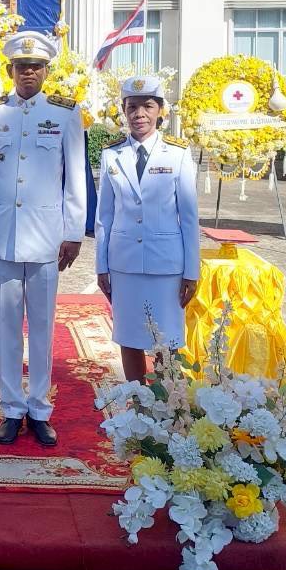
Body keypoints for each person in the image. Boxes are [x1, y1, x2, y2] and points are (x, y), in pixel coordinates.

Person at [0, 31, 87, 446]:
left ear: (46, 71)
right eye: (21, 67)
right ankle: (11, 408)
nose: (28, 73)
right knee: (5, 327)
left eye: (36, 67)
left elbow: (76, 178)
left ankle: (39, 408)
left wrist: (73, 232)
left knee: (41, 327)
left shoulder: (64, 113)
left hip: (46, 237)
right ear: (10, 70)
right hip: (3, 237)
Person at [95, 76, 200, 382]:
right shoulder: (111, 154)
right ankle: (137, 404)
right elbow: (105, 216)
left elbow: (189, 217)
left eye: (147, 106)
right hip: (124, 263)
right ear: (124, 111)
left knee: (165, 341)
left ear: (160, 111)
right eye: (132, 107)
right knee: (129, 337)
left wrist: (191, 271)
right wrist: (102, 266)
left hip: (166, 264)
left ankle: (167, 409)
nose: (139, 113)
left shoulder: (178, 154)